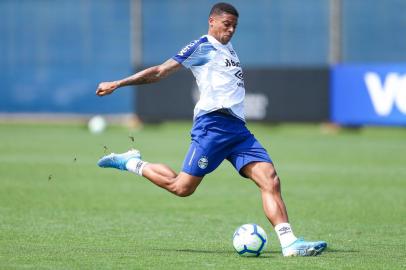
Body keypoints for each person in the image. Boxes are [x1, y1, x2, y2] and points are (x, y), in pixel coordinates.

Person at [96, 2, 327, 257]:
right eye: (226, 25)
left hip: (238, 131)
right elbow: (160, 71)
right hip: (212, 126)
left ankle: (289, 243)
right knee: (182, 187)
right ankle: (131, 162)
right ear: (212, 21)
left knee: (270, 178)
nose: (231, 30)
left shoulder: (228, 48)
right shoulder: (202, 46)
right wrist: (118, 83)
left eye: (235, 27)